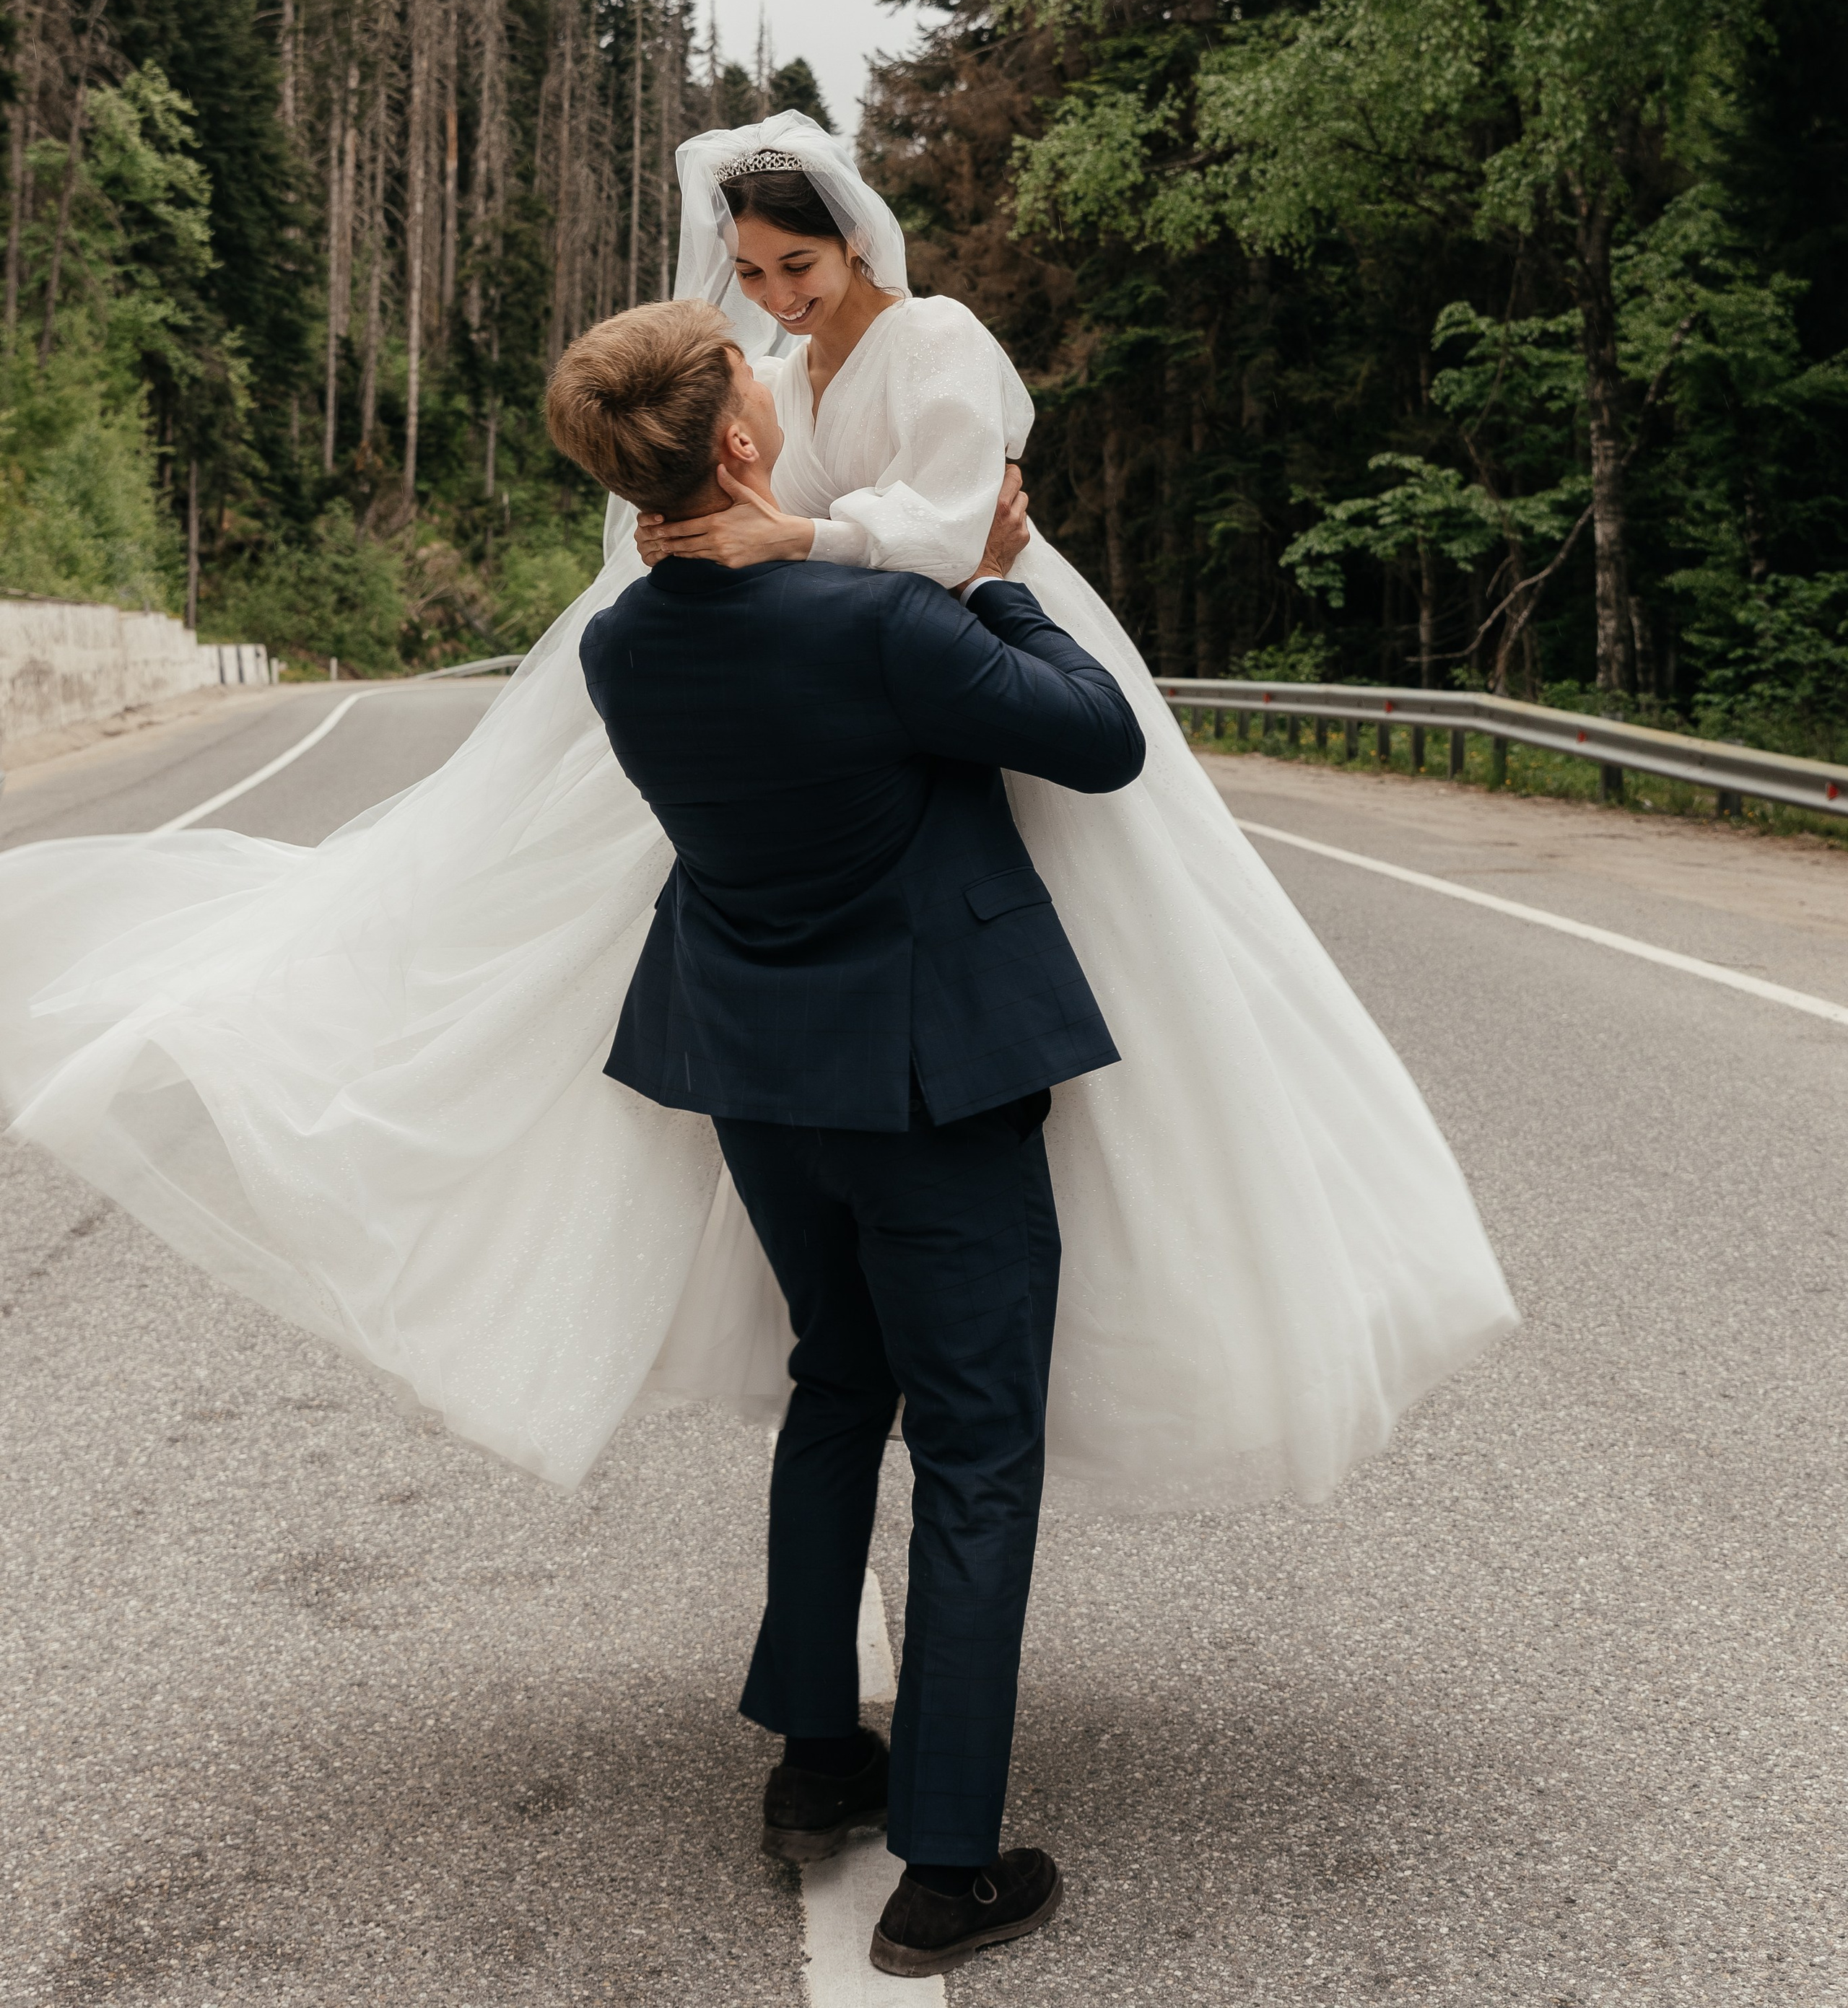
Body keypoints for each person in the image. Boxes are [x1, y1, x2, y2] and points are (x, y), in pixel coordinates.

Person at [0, 108, 1514, 1515]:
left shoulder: (937, 338)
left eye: (799, 265)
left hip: (965, 646)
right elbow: (722, 503)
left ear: (855, 237)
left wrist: (798, 538)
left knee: (1117, 990)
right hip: (860, 687)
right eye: (754, 274)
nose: (778, 296)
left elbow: (952, 523)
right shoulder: (774, 379)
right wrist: (723, 552)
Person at [557, 293, 1145, 1973]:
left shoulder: (618, 647)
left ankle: (819, 1759)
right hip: (930, 1088)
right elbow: (1097, 740)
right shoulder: (878, 621)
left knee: (837, 1385)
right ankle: (946, 1868)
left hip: (759, 1083)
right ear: (743, 441)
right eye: (755, 381)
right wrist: (991, 583)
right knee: (975, 1449)